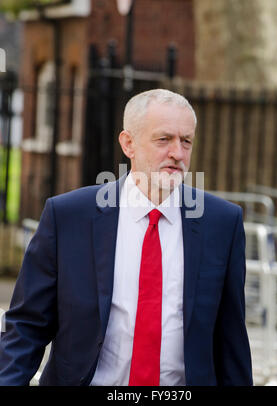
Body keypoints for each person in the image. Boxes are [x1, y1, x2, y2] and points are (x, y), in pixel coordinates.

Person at [0, 89, 252, 386]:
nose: (178, 153)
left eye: (186, 141)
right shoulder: (68, 216)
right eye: (164, 139)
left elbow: (231, 339)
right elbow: (27, 325)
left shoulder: (222, 223)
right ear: (128, 143)